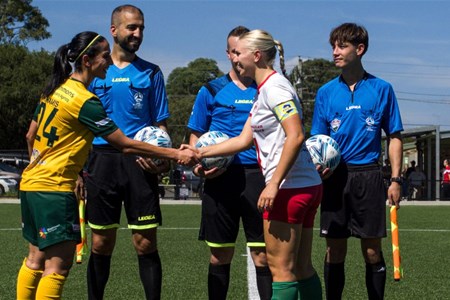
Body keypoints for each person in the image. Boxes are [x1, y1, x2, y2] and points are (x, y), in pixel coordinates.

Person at [16, 31, 197, 300]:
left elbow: (30, 136)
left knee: (34, 259)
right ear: (87, 60)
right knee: (57, 266)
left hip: (31, 184)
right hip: (54, 189)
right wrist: (173, 154)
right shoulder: (85, 101)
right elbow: (123, 144)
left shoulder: (54, 89)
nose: (109, 63)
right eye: (104, 57)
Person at [185, 29, 323, 300]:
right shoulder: (265, 90)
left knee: (280, 269)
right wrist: (198, 153)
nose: (233, 58)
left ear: (256, 56)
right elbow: (243, 140)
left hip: (289, 188)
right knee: (303, 268)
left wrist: (272, 184)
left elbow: (296, 135)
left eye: (238, 53)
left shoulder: (274, 88)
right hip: (304, 185)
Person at [311, 23, 403, 300]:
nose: (335, 52)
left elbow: (395, 136)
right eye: (333, 46)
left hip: (369, 176)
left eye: (341, 46)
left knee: (372, 250)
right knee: (334, 249)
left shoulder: (382, 89)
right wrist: (318, 166)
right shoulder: (325, 92)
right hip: (335, 177)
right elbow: (317, 139)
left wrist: (396, 179)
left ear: (359, 49)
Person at [84, 5, 170, 300]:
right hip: (101, 162)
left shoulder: (152, 72)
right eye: (132, 27)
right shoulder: (94, 72)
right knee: (100, 243)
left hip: (140, 161)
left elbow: (161, 126)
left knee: (145, 242)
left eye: (141, 28)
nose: (137, 33)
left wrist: (162, 160)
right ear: (114, 30)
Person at [187, 26, 272, 300]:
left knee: (262, 255)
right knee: (219, 255)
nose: (237, 58)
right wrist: (198, 166)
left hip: (257, 178)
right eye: (233, 51)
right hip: (219, 179)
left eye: (241, 52)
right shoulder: (211, 89)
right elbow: (195, 136)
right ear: (228, 52)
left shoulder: (266, 88)